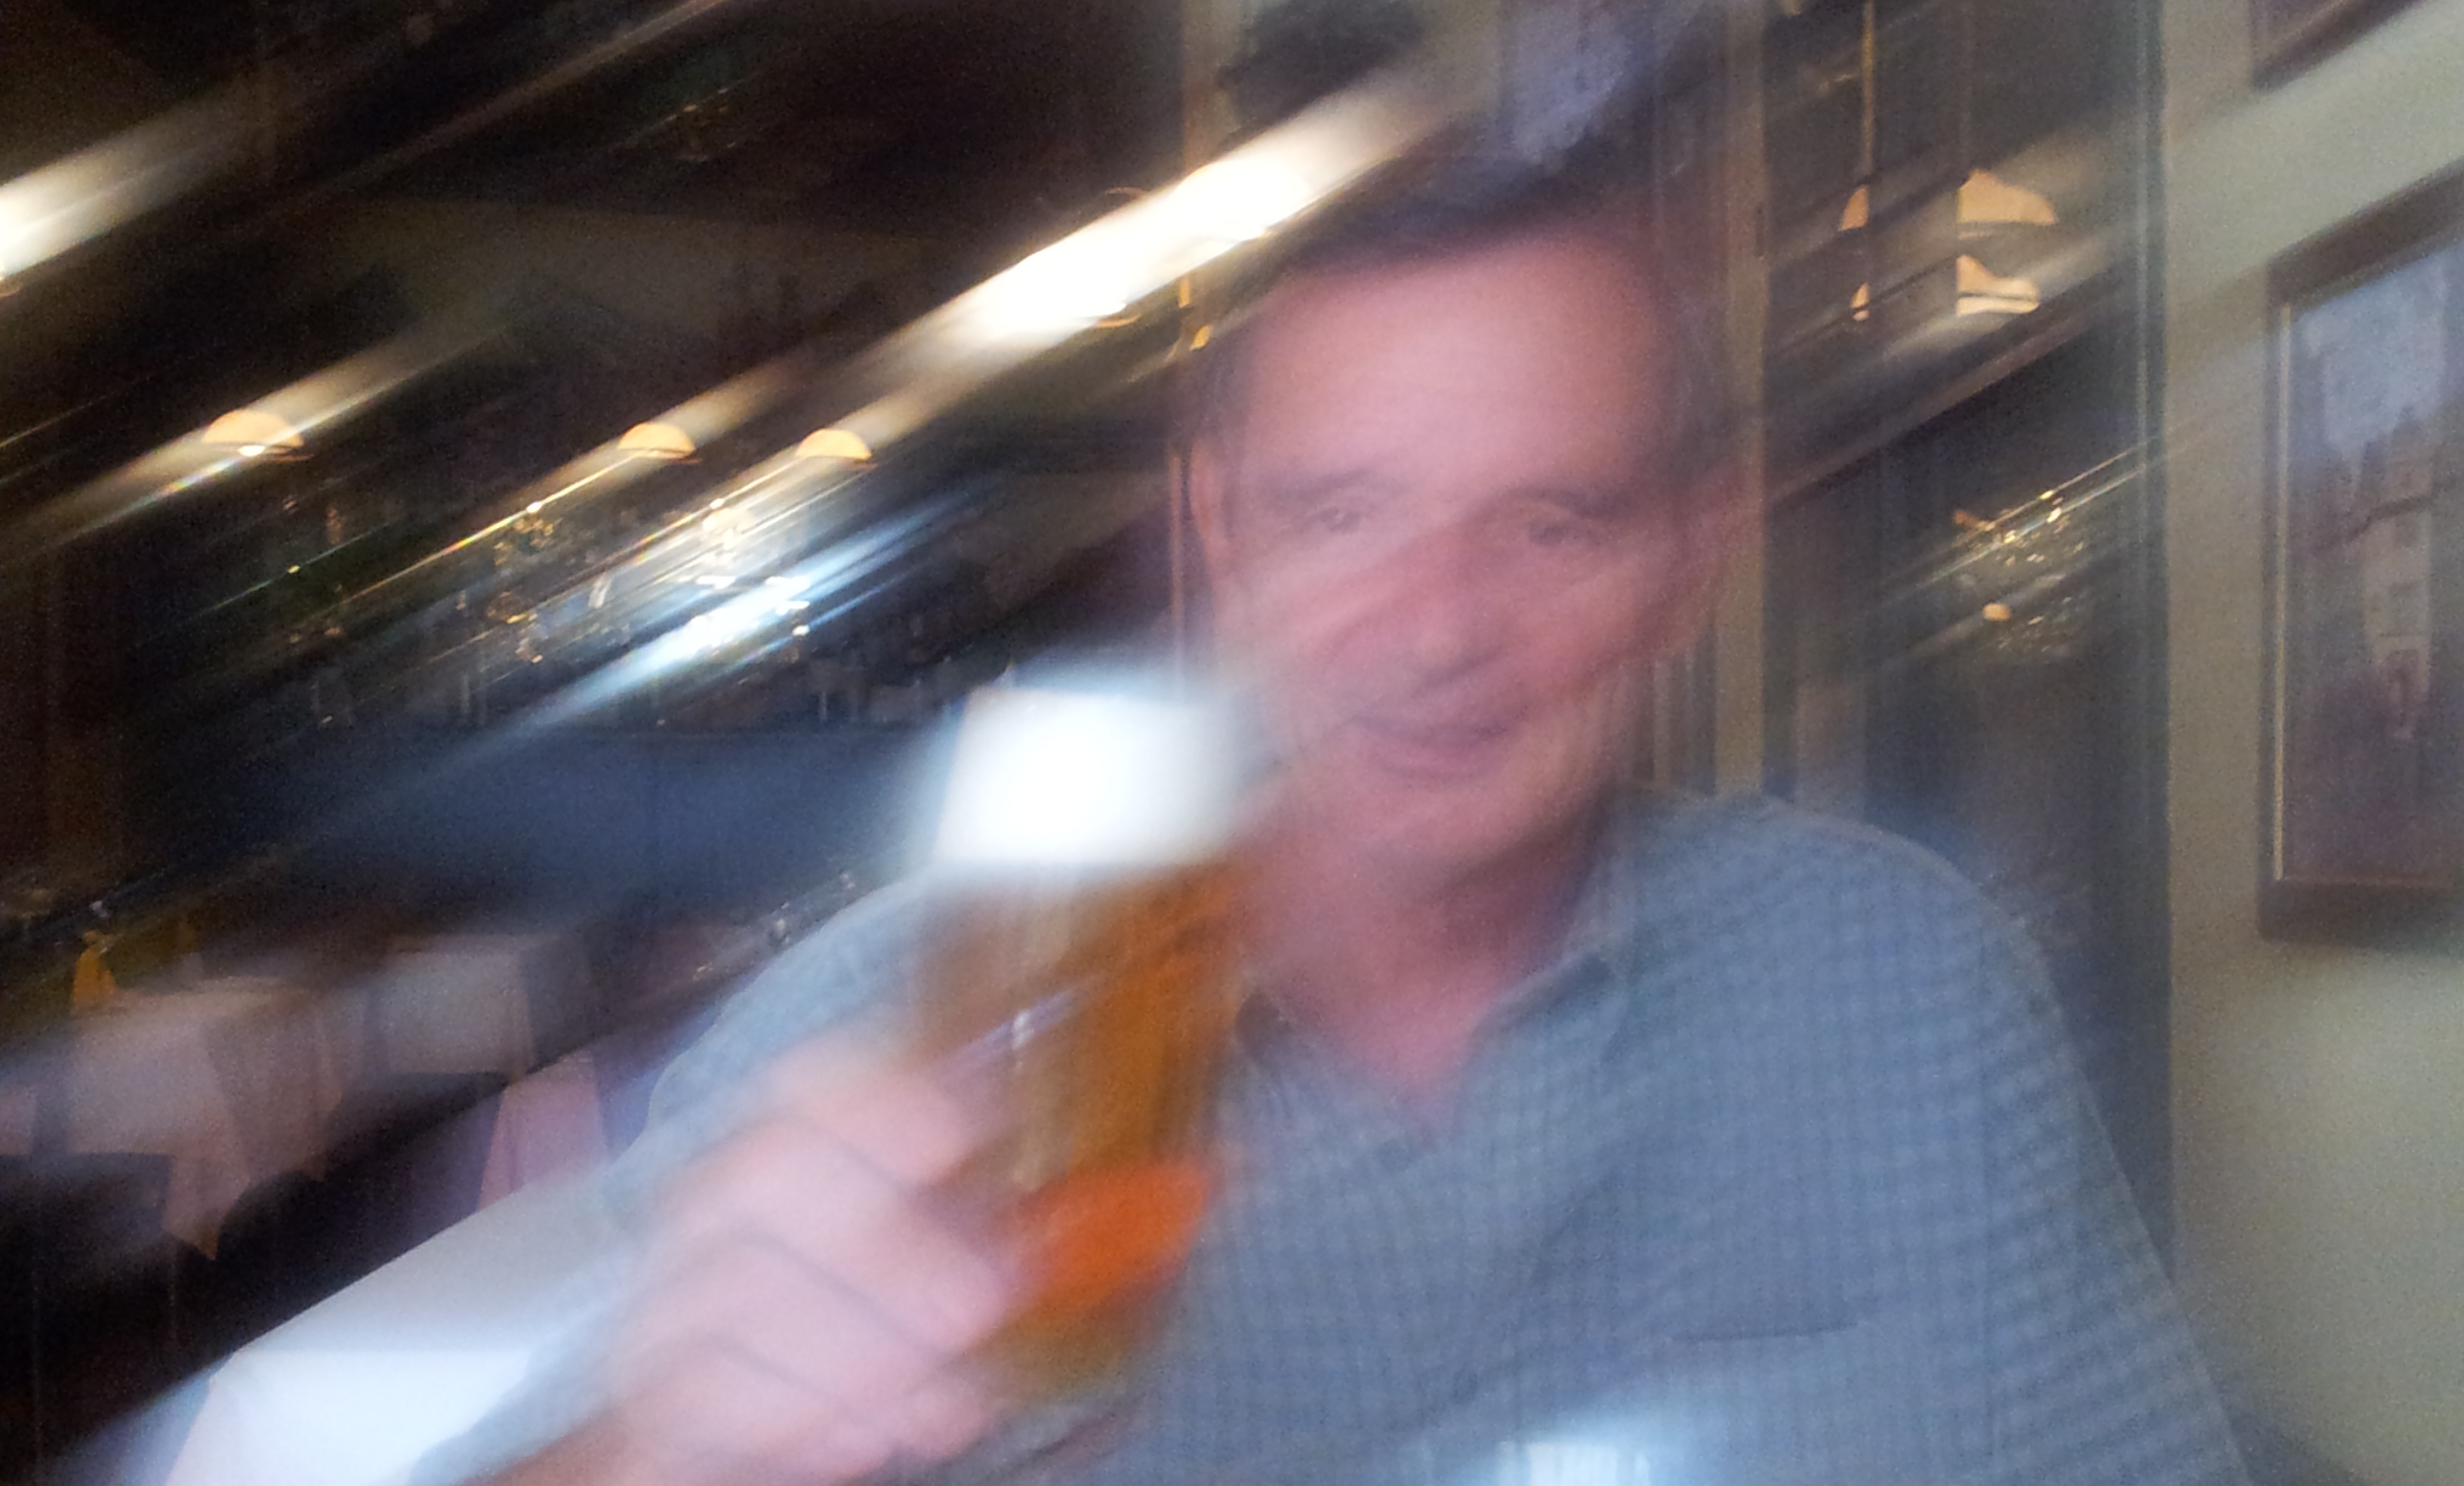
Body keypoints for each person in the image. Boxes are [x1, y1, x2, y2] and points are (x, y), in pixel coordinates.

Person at [448, 166, 2250, 1486]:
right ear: (1219, 538)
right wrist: (661, 1454)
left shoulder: (1903, 975)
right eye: (1342, 518)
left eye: (1552, 524)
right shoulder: (881, 1036)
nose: (1438, 628)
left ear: (1694, 557)